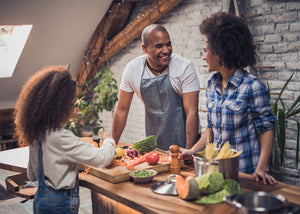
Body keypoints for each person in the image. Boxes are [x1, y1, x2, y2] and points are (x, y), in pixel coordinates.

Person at [179, 12, 277, 185]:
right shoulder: (211, 85)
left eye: (206, 51)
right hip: (216, 170)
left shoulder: (252, 86)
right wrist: (192, 151)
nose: (204, 56)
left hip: (244, 172)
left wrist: (261, 168)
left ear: (221, 52)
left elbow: (267, 129)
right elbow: (211, 129)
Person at [14, 65, 116, 213]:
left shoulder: (36, 133)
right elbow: (101, 158)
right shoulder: (61, 137)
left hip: (41, 200)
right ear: (60, 106)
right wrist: (108, 140)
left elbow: (32, 174)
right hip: (60, 204)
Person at [112, 24, 200, 150]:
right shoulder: (133, 69)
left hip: (187, 143)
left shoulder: (184, 67)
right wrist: (112, 147)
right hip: (155, 146)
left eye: (168, 44)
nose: (166, 50)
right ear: (144, 48)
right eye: (159, 46)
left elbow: (191, 112)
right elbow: (121, 110)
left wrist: (189, 152)